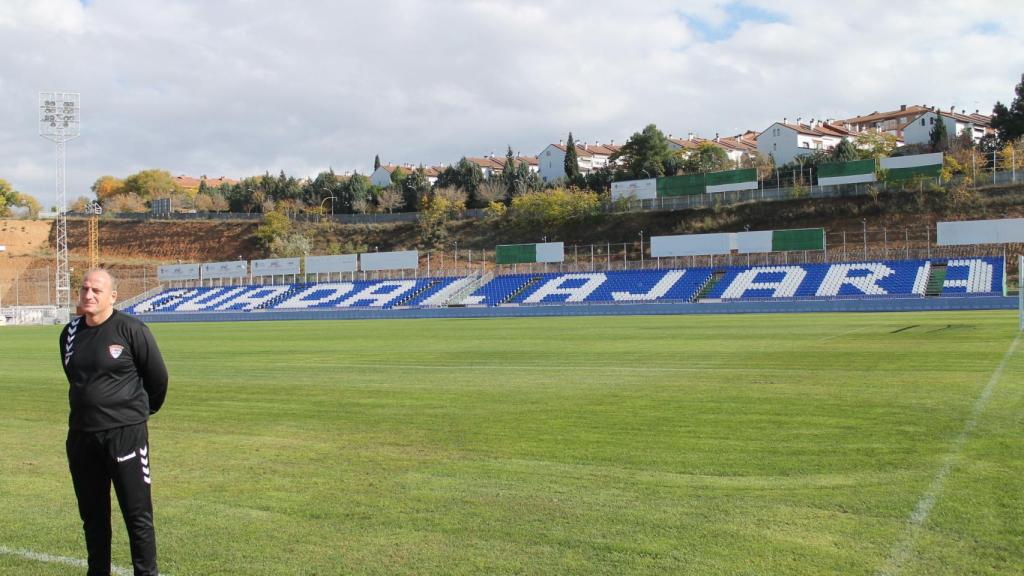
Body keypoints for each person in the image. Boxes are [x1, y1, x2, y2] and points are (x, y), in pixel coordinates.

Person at [59, 269, 168, 576]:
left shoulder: (131, 329)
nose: (88, 295)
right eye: (84, 289)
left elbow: (157, 379)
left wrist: (135, 416)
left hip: (125, 436)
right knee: (93, 518)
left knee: (137, 516)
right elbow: (75, 378)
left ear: (112, 296)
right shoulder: (69, 334)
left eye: (96, 290)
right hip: (82, 438)